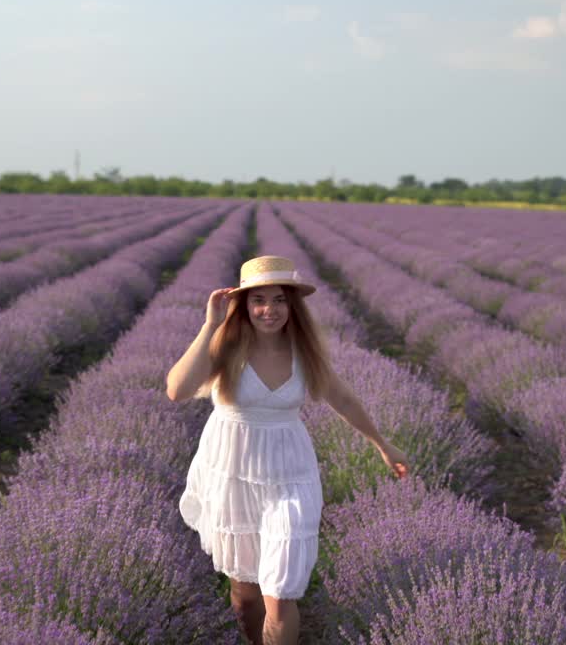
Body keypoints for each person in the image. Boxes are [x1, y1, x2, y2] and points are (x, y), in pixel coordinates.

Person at [166, 255, 410, 645]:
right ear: (243, 305)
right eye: (258, 299)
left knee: (278, 596)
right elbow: (176, 390)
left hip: (290, 476)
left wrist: (383, 444)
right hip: (232, 473)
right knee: (246, 598)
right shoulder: (225, 347)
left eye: (280, 299)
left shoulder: (305, 352)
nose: (270, 309)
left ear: (292, 305)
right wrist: (211, 322)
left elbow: (343, 400)